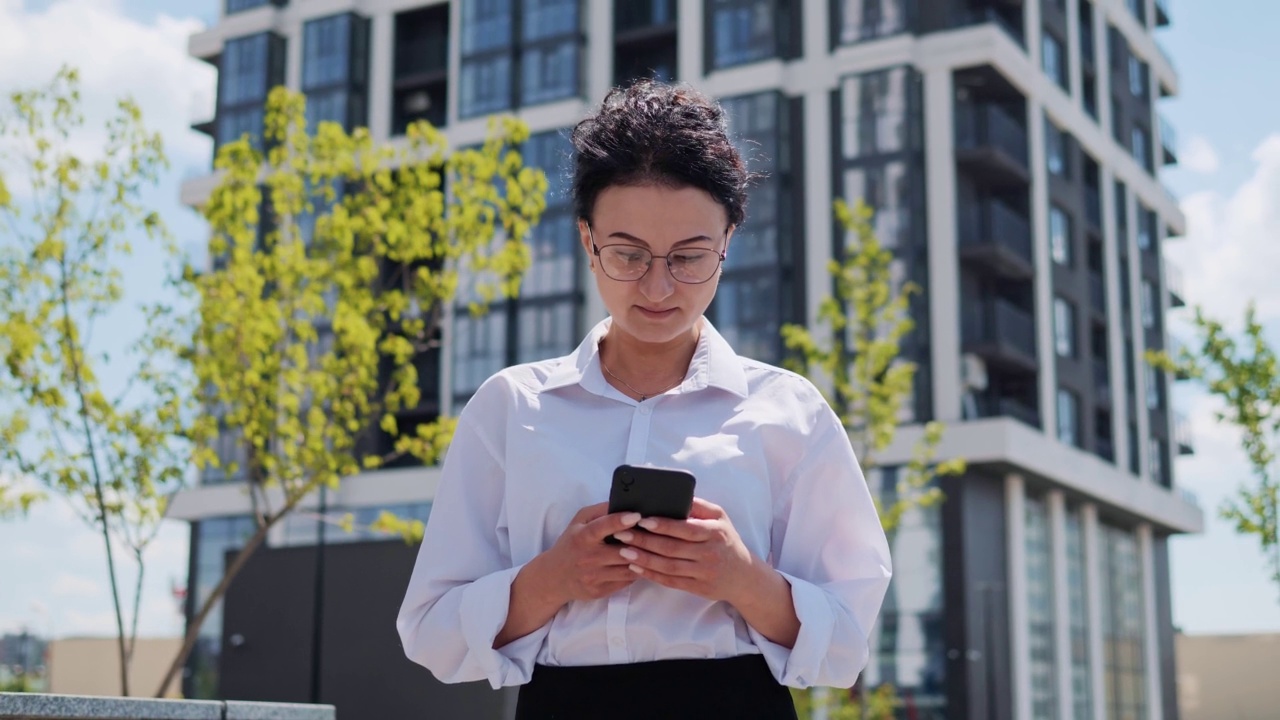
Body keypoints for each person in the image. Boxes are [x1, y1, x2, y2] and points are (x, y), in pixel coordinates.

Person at [397, 80, 892, 720]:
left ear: (729, 242)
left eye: (689, 257)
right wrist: (552, 578)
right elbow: (430, 631)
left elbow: (848, 639)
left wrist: (742, 579)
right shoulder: (512, 407)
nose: (658, 286)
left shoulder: (788, 411)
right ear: (586, 240)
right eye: (628, 253)